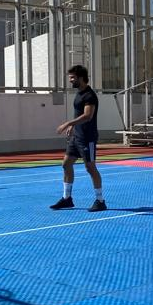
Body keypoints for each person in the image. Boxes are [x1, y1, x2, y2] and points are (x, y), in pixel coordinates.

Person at [50, 65, 106, 212]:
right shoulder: (79, 94)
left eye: (72, 78)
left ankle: (100, 201)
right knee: (66, 164)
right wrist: (73, 127)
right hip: (76, 137)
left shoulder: (89, 96)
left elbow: (88, 116)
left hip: (88, 138)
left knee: (90, 168)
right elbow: (79, 114)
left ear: (81, 78)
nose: (70, 80)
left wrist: (69, 123)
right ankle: (67, 198)